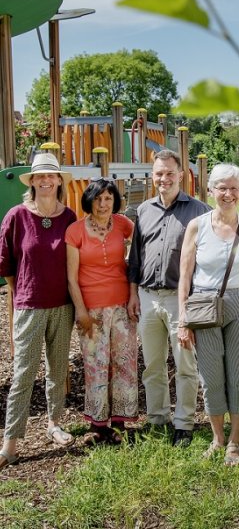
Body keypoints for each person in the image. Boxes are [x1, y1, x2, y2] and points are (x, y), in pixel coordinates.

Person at [178, 163, 239, 465]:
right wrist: (183, 322)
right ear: (210, 190)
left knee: (237, 374)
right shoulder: (197, 226)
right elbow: (185, 276)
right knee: (211, 375)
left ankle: (234, 441)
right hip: (204, 305)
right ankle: (217, 438)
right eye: (222, 187)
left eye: (234, 188)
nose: (228, 193)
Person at [127, 149, 211, 447]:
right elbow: (135, 257)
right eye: (158, 173)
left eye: (169, 173)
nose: (164, 178)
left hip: (181, 299)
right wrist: (133, 293)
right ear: (153, 176)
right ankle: (157, 419)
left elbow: (208, 259)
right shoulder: (143, 210)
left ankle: (184, 423)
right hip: (148, 297)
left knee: (185, 364)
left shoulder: (200, 211)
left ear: (181, 175)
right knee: (152, 365)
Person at [0, 152, 77, 470]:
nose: (45, 181)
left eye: (51, 176)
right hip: (29, 306)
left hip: (62, 306)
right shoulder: (17, 216)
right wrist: (18, 295)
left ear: (59, 181)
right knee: (23, 376)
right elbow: (6, 265)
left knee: (58, 372)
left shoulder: (69, 217)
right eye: (39, 177)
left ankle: (54, 424)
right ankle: (10, 444)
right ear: (31, 182)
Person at [66, 178, 138, 445]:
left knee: (125, 362)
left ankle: (120, 421)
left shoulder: (123, 224)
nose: (103, 204)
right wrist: (81, 311)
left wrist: (135, 294)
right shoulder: (75, 231)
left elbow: (142, 249)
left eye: (108, 198)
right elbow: (72, 278)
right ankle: (99, 424)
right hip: (92, 309)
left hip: (122, 305)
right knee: (96, 364)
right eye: (98, 199)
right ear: (89, 201)